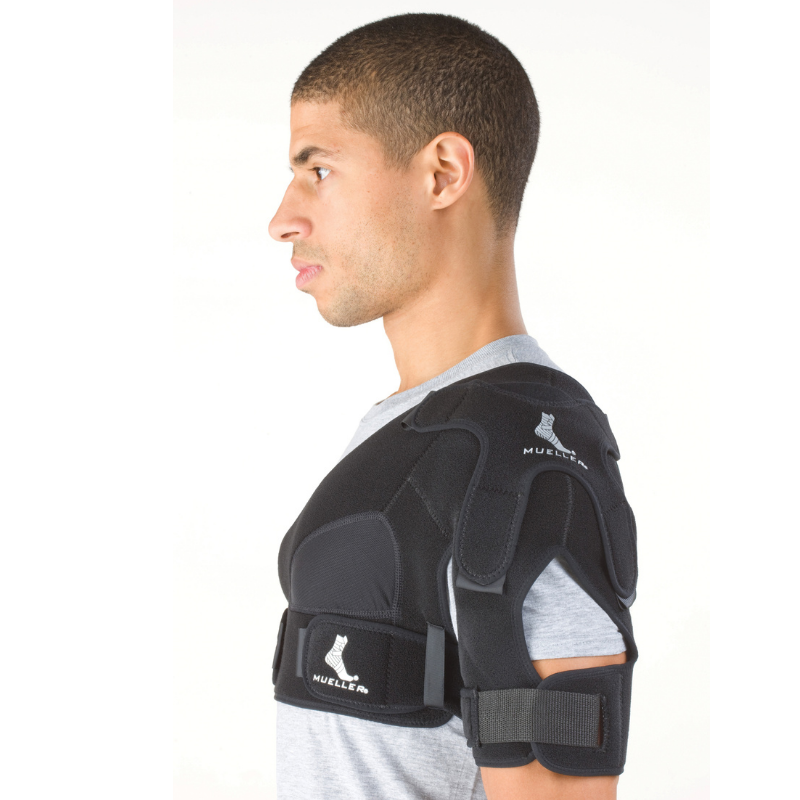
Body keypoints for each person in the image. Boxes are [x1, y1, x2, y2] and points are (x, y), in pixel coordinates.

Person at [268, 13, 631, 800]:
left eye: (319, 170)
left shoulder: (525, 462)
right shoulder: (419, 429)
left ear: (441, 174)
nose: (282, 219)